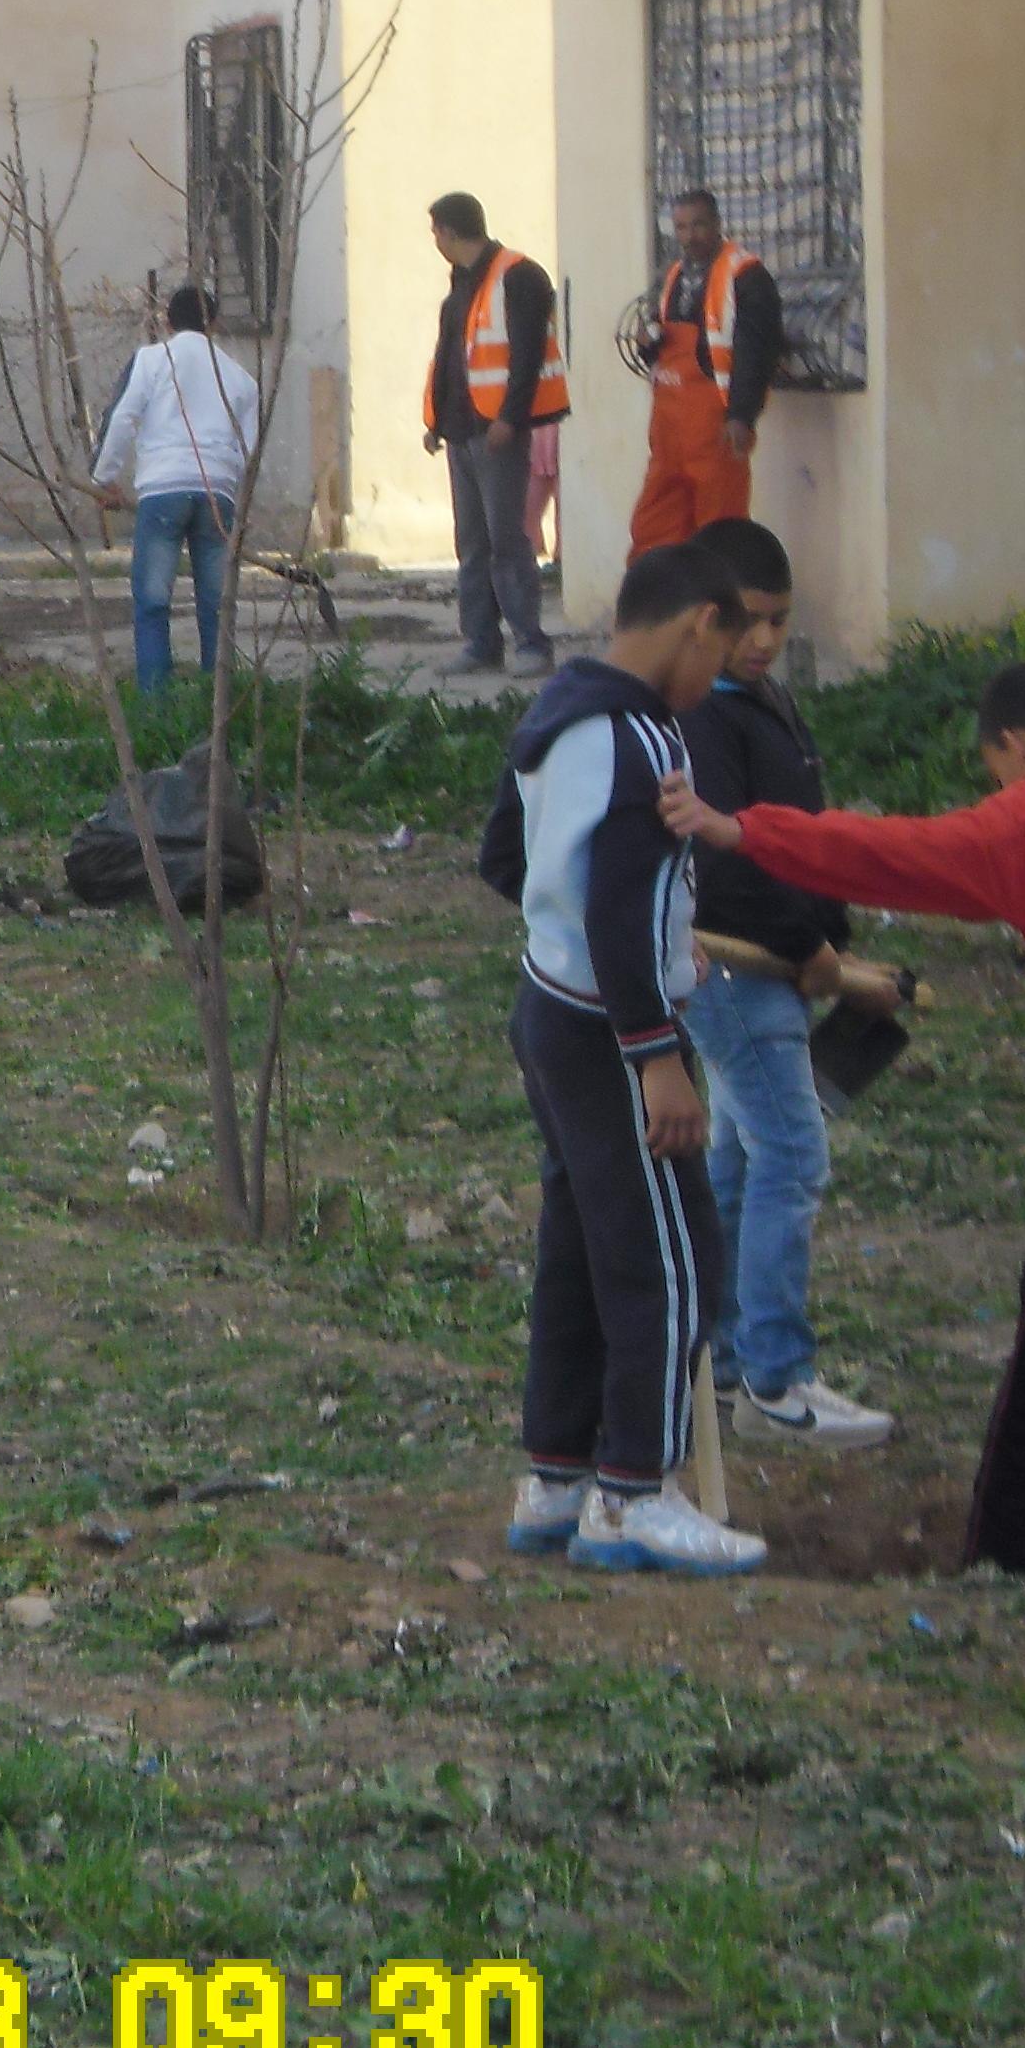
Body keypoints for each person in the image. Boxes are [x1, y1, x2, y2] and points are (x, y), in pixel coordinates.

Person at [666, 659, 1025, 1577]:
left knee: (777, 1150)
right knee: (751, 1151)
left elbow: (891, 853)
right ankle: (732, 1353)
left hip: (759, 970)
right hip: (754, 982)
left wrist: (743, 830)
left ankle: (1013, 1547)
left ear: (1019, 747)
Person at [477, 539, 757, 1577]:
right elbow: (619, 903)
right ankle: (634, 1492)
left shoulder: (555, 713)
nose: (713, 679)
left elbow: (501, 856)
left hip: (546, 1009)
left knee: (580, 1247)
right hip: (610, 1031)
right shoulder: (643, 741)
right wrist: (654, 1055)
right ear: (697, 627)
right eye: (721, 651)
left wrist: (560, 938)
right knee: (671, 1253)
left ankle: (554, 1476)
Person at [668, 517, 893, 1450]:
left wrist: (827, 940)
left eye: (780, 621)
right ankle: (776, 1378)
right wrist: (815, 955)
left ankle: (715, 1360)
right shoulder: (707, 716)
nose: (763, 641)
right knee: (792, 1155)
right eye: (749, 621)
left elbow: (797, 835)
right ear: (709, 615)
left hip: (778, 967)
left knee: (738, 1159)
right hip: (740, 969)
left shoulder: (764, 701)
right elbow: (733, 865)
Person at [421, 191, 567, 678]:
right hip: (463, 433)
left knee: (508, 539)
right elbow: (449, 360)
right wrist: (436, 422)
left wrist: (510, 417)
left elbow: (526, 355)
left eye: (436, 232)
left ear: (449, 231)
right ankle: (481, 642)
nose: (435, 242)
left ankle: (531, 642)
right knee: (472, 544)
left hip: (497, 432)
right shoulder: (459, 290)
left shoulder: (518, 277)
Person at [92, 284, 260, 692]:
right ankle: (217, 696)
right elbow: (249, 447)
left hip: (163, 490)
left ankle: (155, 704)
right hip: (217, 494)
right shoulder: (239, 377)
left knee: (152, 602)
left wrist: (104, 479)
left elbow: (124, 417)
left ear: (166, 321)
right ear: (215, 324)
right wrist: (227, 479)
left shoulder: (151, 360)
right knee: (216, 607)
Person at [627, 190, 781, 553]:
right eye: (681, 227)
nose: (689, 236)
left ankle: (720, 607)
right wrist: (649, 341)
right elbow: (665, 347)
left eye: (698, 225)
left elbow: (756, 352)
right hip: (668, 435)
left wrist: (742, 416)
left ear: (717, 225)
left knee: (719, 532)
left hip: (716, 431)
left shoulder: (746, 276)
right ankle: (660, 606)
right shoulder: (676, 275)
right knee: (654, 528)